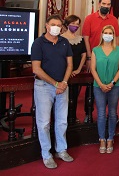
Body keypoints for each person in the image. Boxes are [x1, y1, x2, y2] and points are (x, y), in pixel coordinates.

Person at [31, 14, 73, 169]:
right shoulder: (38, 43)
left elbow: (70, 65)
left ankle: (61, 149)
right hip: (44, 87)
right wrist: (56, 84)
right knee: (44, 123)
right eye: (53, 24)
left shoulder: (65, 42)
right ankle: (46, 154)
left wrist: (63, 83)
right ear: (46, 26)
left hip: (63, 85)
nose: (56, 27)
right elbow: (36, 69)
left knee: (62, 121)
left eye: (59, 25)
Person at [82, 0, 119, 121]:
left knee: (110, 86)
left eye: (108, 5)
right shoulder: (89, 18)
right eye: (103, 4)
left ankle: (110, 115)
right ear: (99, 4)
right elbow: (86, 38)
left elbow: (117, 39)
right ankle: (88, 113)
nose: (106, 6)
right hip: (94, 57)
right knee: (91, 87)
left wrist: (118, 56)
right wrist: (88, 57)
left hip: (110, 57)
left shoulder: (114, 20)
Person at [90, 25, 119, 154]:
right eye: (106, 32)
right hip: (98, 86)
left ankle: (110, 137)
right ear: (102, 34)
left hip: (114, 86)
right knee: (101, 113)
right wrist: (101, 84)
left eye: (110, 33)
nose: (108, 35)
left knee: (112, 112)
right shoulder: (96, 50)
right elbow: (93, 69)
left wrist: (112, 83)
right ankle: (102, 138)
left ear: (113, 35)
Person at [61, 15, 87, 124]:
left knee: (74, 95)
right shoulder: (61, 38)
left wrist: (78, 69)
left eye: (77, 24)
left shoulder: (80, 39)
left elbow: (84, 55)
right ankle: (63, 117)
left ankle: (73, 116)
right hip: (64, 72)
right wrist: (68, 70)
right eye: (73, 23)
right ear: (67, 24)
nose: (75, 26)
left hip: (76, 72)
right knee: (64, 97)